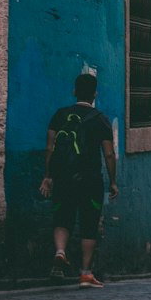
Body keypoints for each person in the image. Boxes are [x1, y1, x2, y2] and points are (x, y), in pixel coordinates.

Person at [39, 72, 118, 288]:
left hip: (63, 178)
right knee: (88, 225)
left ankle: (60, 251)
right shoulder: (101, 119)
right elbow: (109, 154)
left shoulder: (60, 115)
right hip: (90, 180)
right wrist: (113, 181)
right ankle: (85, 273)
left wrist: (48, 176)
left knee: (62, 218)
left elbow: (50, 147)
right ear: (95, 94)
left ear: (74, 92)